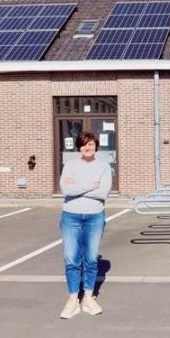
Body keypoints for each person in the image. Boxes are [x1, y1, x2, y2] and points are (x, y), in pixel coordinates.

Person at [59, 132, 112, 319]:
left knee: (91, 259)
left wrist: (78, 187)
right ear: (78, 148)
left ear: (96, 146)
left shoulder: (104, 167)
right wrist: (92, 185)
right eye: (83, 145)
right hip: (70, 217)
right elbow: (66, 189)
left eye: (90, 144)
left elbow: (103, 193)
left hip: (94, 217)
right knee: (72, 259)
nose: (87, 148)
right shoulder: (70, 165)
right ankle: (73, 299)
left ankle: (88, 297)